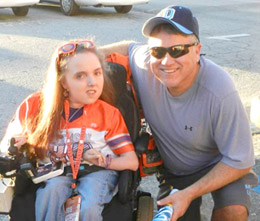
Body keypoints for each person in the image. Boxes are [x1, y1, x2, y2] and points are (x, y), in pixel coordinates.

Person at [100, 5, 257, 221]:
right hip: (176, 171)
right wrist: (91, 52)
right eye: (158, 51)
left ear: (197, 50)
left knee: (233, 212)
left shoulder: (220, 90)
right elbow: (129, 47)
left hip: (220, 164)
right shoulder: (147, 64)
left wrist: (190, 194)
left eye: (177, 50)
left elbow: (241, 160)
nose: (166, 61)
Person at [0, 39, 138, 221]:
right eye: (80, 76)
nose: (92, 82)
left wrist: (102, 161)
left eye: (97, 73)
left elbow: (131, 162)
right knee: (50, 194)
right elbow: (7, 146)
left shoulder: (109, 114)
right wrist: (20, 141)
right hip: (54, 171)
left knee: (88, 206)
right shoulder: (35, 106)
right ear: (63, 81)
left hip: (96, 171)